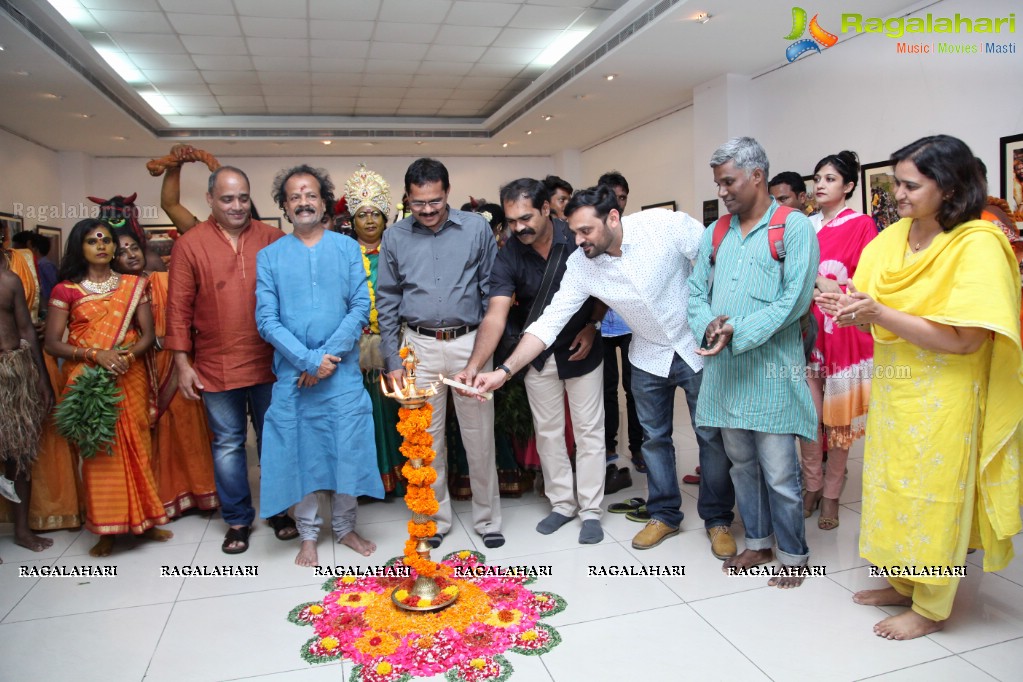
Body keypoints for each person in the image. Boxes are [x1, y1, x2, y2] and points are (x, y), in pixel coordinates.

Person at [818, 135, 1023, 640]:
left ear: (949, 188)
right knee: (892, 489)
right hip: (895, 390)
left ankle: (932, 606)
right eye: (896, 183)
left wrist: (878, 312)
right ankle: (904, 581)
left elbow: (965, 341)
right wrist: (847, 309)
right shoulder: (891, 239)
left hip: (947, 395)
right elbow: (873, 318)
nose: (899, 195)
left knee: (937, 496)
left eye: (911, 185)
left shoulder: (977, 244)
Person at [475, 185, 738, 559]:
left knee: (710, 437)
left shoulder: (663, 225)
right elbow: (549, 323)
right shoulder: (583, 264)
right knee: (653, 440)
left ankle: (717, 519)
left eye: (585, 231)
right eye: (574, 231)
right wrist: (504, 370)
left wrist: (720, 316)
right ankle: (664, 514)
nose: (577, 240)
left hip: (695, 348)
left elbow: (719, 261)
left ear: (613, 218)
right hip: (647, 354)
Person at [688, 137, 819, 587]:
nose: (722, 191)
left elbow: (795, 300)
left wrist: (736, 331)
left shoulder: (793, 227)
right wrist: (708, 324)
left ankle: (795, 556)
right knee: (741, 465)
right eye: (719, 182)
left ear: (757, 176)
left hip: (771, 375)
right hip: (725, 375)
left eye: (729, 181)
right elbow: (695, 292)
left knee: (781, 472)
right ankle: (759, 542)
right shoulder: (717, 231)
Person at [455, 178, 607, 544]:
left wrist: (593, 324)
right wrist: (476, 364)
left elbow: (606, 285)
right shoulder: (508, 255)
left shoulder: (576, 238)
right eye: (511, 221)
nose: (519, 227)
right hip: (535, 355)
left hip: (580, 348)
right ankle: (562, 504)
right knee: (549, 432)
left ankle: (590, 510)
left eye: (526, 217)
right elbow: (496, 315)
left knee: (589, 432)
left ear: (546, 209)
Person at [165, 166, 297, 554]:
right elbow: (178, 309)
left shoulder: (273, 239)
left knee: (275, 440)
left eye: (242, 197)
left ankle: (278, 511)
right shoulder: (190, 244)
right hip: (214, 363)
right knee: (228, 444)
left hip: (271, 363)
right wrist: (181, 363)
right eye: (227, 199)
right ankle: (238, 519)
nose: (237, 206)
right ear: (209, 199)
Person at [376, 157, 504, 549]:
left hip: (471, 342)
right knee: (426, 442)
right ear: (407, 199)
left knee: (479, 436)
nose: (428, 210)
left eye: (435, 201)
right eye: (418, 203)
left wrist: (483, 353)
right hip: (419, 348)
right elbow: (387, 300)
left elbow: (491, 291)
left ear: (447, 192)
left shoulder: (476, 229)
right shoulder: (395, 237)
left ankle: (487, 520)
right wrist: (393, 360)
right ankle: (435, 518)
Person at [257, 165, 382, 567]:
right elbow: (266, 320)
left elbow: (360, 306)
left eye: (310, 195)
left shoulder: (347, 249)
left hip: (342, 374)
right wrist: (309, 361)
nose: (304, 202)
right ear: (285, 206)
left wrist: (326, 359)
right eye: (295, 196)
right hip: (295, 378)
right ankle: (308, 535)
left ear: (324, 202)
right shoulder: (270, 257)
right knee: (301, 452)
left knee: (347, 449)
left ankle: (345, 528)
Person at [43, 219, 172, 557]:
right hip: (88, 378)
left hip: (128, 374)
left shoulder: (132, 286)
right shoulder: (66, 290)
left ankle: (147, 520)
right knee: (99, 453)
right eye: (91, 240)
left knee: (139, 446)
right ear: (80, 247)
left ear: (115, 246)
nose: (101, 245)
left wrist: (124, 358)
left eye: (106, 240)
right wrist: (95, 354)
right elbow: (53, 343)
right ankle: (107, 529)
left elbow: (147, 336)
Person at [113, 229, 218, 518]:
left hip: (174, 361)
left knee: (187, 425)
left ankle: (200, 492)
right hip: (135, 368)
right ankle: (160, 497)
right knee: (152, 433)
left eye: (134, 248)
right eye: (122, 251)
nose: (131, 255)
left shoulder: (162, 280)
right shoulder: (115, 289)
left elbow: (188, 314)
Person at [799, 152, 877, 530]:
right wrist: (815, 281)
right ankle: (811, 485)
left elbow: (869, 280)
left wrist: (838, 286)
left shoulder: (862, 224)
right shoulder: (802, 226)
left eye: (830, 179)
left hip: (843, 331)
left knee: (840, 423)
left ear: (848, 186)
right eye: (817, 178)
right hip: (803, 330)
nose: (820, 185)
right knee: (808, 417)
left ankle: (831, 494)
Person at [343, 165, 404, 494]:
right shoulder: (342, 255)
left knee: (400, 413)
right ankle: (372, 481)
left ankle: (405, 478)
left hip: (398, 345)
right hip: (357, 350)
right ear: (353, 220)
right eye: (362, 214)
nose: (369, 220)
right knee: (364, 415)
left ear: (384, 217)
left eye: (375, 214)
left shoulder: (399, 250)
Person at [0, 248, 54, 562]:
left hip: (11, 376)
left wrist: (43, 381)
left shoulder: (9, 281)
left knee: (19, 456)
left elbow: (26, 333)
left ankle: (22, 530)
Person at [595, 170, 641, 492]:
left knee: (635, 390)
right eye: (613, 196)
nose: (619, 203)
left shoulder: (635, 234)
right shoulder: (592, 234)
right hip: (600, 326)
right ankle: (610, 447)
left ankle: (638, 447)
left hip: (632, 325)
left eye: (623, 197)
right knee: (607, 391)